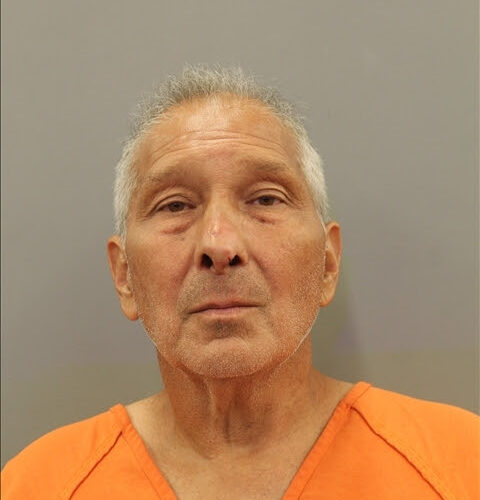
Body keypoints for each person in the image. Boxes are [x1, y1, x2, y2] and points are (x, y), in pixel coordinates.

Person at [2, 65, 479, 500]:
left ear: (328, 265)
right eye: (175, 205)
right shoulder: (37, 484)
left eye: (265, 199)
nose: (219, 243)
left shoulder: (459, 464)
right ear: (124, 276)